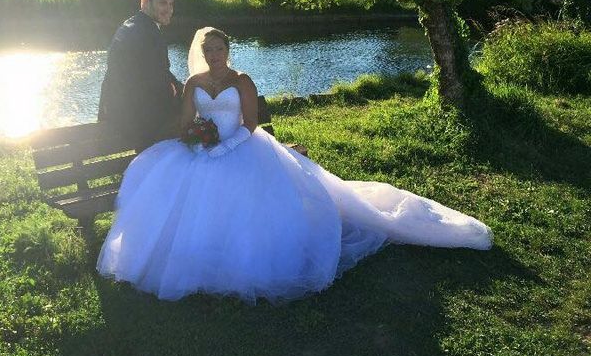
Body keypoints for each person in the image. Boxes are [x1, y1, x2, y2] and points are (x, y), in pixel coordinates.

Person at [97, 27, 493, 304]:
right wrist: (196, 137)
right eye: (209, 50)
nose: (214, 55)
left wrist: (224, 145)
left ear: (228, 51)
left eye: (219, 49)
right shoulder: (193, 84)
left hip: (241, 147)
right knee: (168, 186)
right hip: (203, 148)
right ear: (201, 53)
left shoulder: (243, 80)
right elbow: (186, 121)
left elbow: (250, 125)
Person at [98, 0, 183, 150]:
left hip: (122, 114)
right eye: (162, 3)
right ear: (145, 2)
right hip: (140, 124)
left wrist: (180, 86)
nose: (169, 9)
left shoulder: (132, 26)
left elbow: (160, 73)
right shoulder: (148, 34)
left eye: (171, 4)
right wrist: (184, 98)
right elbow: (157, 84)